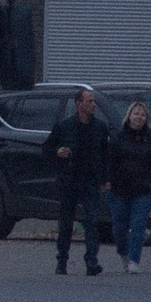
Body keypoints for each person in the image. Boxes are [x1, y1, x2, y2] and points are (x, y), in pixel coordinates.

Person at [47, 87, 111, 277]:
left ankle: (91, 261)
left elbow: (105, 155)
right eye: (89, 101)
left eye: (93, 101)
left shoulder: (100, 127)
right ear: (78, 104)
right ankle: (62, 260)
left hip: (91, 180)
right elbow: (47, 148)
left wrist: (105, 180)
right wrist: (57, 152)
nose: (93, 105)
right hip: (70, 180)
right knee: (67, 222)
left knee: (91, 221)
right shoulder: (65, 126)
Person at [106, 100, 151, 275]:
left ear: (146, 118)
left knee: (138, 226)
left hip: (145, 190)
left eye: (142, 114)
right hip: (119, 189)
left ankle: (134, 259)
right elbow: (109, 161)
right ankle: (123, 253)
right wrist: (108, 181)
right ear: (129, 116)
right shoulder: (117, 137)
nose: (138, 117)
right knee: (119, 227)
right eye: (136, 113)